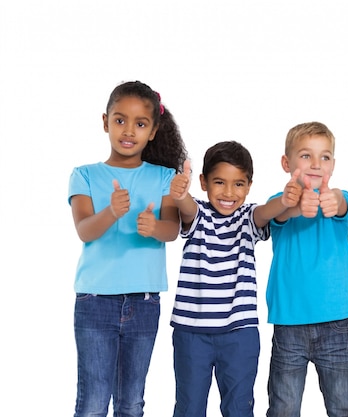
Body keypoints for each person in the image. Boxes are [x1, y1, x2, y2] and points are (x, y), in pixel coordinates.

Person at [68, 80, 188, 417]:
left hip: (145, 302)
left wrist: (154, 228)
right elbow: (84, 230)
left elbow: (172, 230)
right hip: (95, 301)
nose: (128, 131)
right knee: (93, 401)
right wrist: (111, 212)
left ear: (153, 131)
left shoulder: (165, 176)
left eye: (140, 123)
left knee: (131, 402)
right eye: (120, 120)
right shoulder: (85, 176)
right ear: (105, 121)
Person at [168, 141, 301, 417]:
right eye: (219, 182)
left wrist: (285, 202)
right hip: (192, 333)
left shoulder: (246, 217)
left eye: (238, 184)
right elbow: (188, 208)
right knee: (189, 407)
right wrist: (180, 194)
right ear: (204, 182)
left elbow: (265, 212)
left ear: (249, 185)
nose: (229, 192)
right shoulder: (199, 216)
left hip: (239, 333)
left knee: (239, 407)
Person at [265, 122, 348, 417]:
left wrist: (335, 200)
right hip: (289, 324)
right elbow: (279, 214)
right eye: (306, 156)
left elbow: (343, 204)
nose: (316, 164)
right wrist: (293, 207)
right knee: (283, 408)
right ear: (287, 162)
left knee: (343, 406)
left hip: (336, 323)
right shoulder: (276, 204)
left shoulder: (337, 198)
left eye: (325, 157)